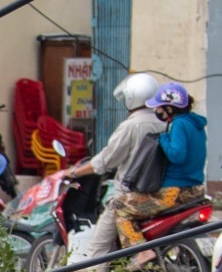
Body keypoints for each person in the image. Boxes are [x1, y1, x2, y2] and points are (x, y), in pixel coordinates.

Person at [64, 71, 161, 260]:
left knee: (97, 248)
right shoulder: (164, 122)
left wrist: (75, 172)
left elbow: (105, 161)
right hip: (158, 192)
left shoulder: (131, 125)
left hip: (130, 193)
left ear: (133, 97)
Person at [114, 83, 207, 249]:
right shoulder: (196, 126)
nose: (157, 112)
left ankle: (141, 251)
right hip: (195, 190)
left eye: (159, 107)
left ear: (170, 109)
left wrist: (163, 138)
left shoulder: (179, 124)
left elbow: (177, 156)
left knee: (120, 206)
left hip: (172, 192)